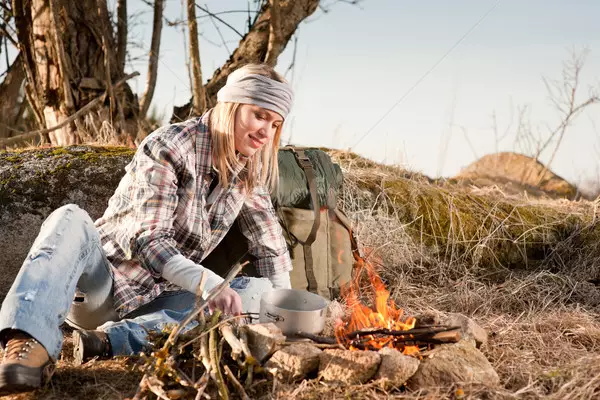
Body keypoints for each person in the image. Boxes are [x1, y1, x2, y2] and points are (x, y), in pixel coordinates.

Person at [0, 63, 294, 394]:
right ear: (232, 106)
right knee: (70, 218)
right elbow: (150, 242)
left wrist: (292, 313)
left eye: (275, 123)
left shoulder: (246, 169)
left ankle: (109, 341)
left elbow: (269, 245)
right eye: (259, 115)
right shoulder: (171, 145)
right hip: (103, 288)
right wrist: (209, 283)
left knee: (259, 293)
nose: (266, 132)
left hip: (158, 299)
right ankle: (26, 342)